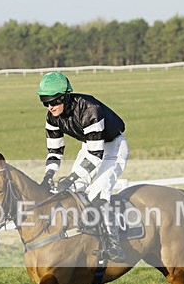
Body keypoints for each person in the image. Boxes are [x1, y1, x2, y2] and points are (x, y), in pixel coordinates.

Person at [36, 71, 129, 261]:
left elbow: (97, 156)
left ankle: (114, 244)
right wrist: (48, 176)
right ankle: (84, 240)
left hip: (113, 148)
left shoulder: (90, 109)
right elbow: (54, 152)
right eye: (45, 102)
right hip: (89, 146)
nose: (49, 107)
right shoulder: (52, 118)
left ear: (65, 97)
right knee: (72, 192)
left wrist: (71, 177)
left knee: (97, 192)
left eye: (53, 102)